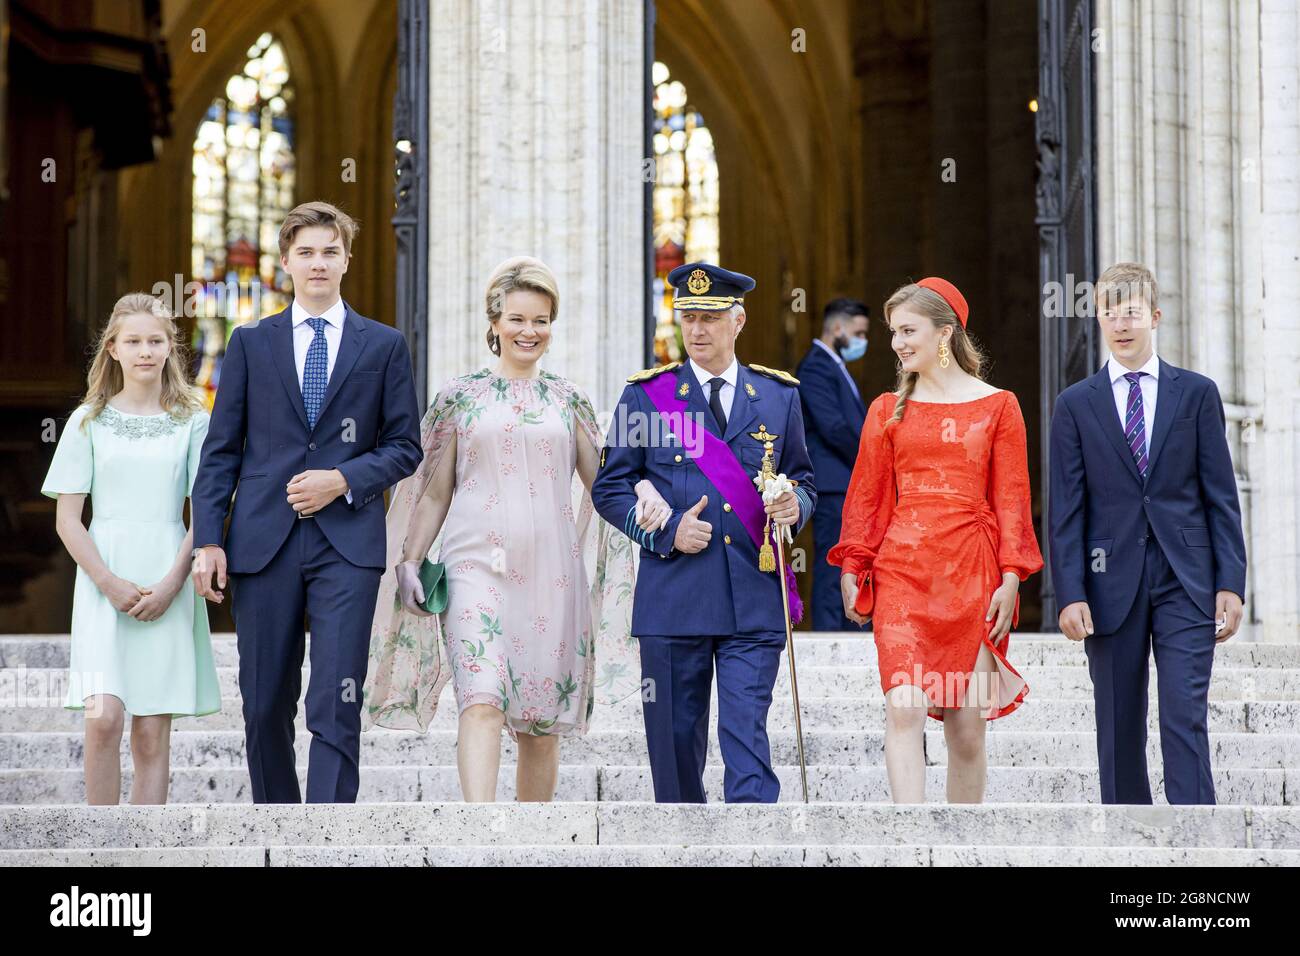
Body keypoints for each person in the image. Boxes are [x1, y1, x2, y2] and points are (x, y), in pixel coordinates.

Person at [364, 256, 656, 801]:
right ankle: (480, 835)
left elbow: (607, 485)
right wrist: (409, 559)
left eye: (541, 320)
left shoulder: (568, 399)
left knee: (540, 721)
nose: (530, 331)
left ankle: (529, 844)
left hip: (552, 574)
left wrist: (647, 498)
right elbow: (433, 491)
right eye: (518, 319)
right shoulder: (461, 396)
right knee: (481, 696)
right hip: (475, 566)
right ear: (494, 322)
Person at [190, 201, 423, 804]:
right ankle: (277, 827)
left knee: (336, 696)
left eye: (330, 251)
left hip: (348, 543)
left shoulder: (384, 346)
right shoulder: (249, 343)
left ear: (347, 259)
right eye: (306, 252)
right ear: (287, 261)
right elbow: (220, 451)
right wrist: (209, 540)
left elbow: (404, 446)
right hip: (262, 543)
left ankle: (325, 835)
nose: (318, 263)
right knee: (265, 701)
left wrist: (341, 479)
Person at [592, 261, 816, 804]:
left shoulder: (779, 396)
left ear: (738, 321)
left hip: (752, 594)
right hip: (674, 595)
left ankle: (754, 847)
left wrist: (795, 505)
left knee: (747, 739)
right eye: (687, 317)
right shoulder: (646, 397)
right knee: (673, 751)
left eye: (710, 318)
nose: (696, 330)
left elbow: (805, 478)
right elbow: (610, 487)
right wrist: (665, 533)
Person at [830, 277, 1042, 804]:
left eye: (908, 330)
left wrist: (1013, 577)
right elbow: (868, 494)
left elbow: (1012, 498)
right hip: (902, 571)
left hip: (972, 573)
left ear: (944, 333)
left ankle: (957, 849)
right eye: (892, 332)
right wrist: (854, 563)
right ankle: (911, 843)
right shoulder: (886, 409)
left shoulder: (1000, 406)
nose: (897, 343)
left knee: (966, 727)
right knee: (903, 705)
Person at [1049, 262, 1246, 805]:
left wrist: (1231, 581)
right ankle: (1129, 840)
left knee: (1184, 712)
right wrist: (1070, 593)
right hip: (1109, 579)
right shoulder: (1075, 405)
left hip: (1188, 577)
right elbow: (1066, 509)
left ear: (1154, 315)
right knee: (1118, 721)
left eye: (1132, 310)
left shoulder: (1197, 394)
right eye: (1110, 311)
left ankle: (1196, 839)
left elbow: (1219, 495)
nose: (1121, 322)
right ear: (1097, 318)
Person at [41, 292, 220, 805]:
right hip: (104, 578)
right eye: (134, 341)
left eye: (156, 341)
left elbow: (201, 511)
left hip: (169, 569)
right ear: (113, 349)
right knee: (104, 719)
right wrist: (109, 583)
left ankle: (146, 852)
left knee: (149, 733)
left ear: (170, 348)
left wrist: (170, 585)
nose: (146, 350)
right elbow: (68, 520)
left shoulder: (192, 420)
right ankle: (102, 844)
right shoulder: (86, 421)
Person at [796, 297, 870, 631]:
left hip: (846, 483)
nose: (862, 342)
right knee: (832, 565)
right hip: (832, 483)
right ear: (837, 328)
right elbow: (834, 427)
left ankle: (849, 626)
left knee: (850, 563)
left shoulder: (836, 366)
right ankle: (829, 634)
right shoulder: (815, 366)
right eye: (859, 333)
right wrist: (871, 460)